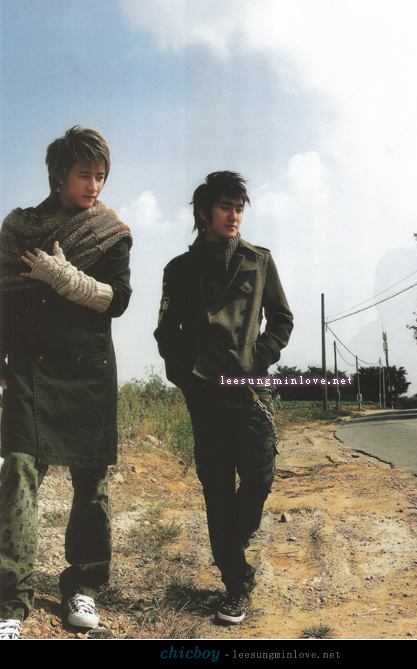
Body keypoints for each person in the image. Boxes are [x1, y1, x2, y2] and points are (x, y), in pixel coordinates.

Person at [0, 127, 132, 639]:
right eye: (84, 175)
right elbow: (3, 302)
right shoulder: (18, 229)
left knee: (91, 484)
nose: (94, 186)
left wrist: (61, 276)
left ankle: (84, 586)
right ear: (59, 176)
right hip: (29, 370)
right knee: (18, 473)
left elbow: (117, 300)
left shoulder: (109, 231)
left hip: (88, 370)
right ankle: (11, 602)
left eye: (101, 175)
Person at [154, 171, 293, 623]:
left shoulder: (259, 260)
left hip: (251, 390)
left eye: (239, 208)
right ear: (203, 212)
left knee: (259, 478)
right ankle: (237, 585)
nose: (234, 216)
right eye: (225, 207)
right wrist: (187, 380)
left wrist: (260, 357)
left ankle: (230, 543)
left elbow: (282, 319)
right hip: (206, 393)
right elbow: (166, 332)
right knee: (216, 489)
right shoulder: (180, 268)